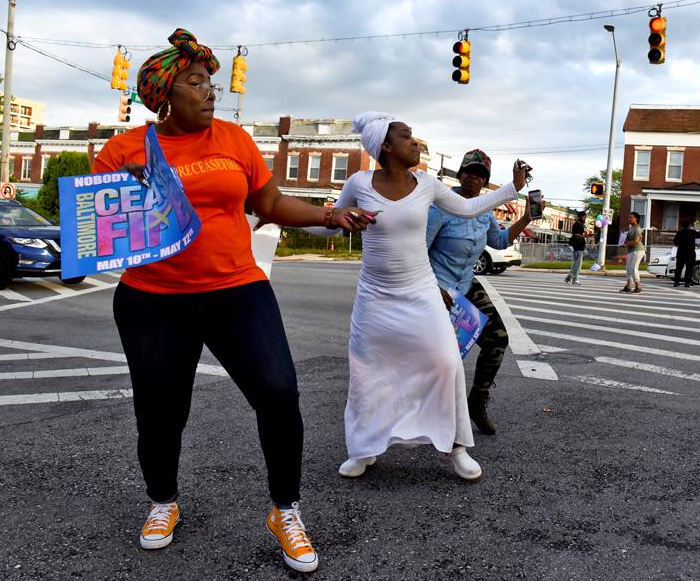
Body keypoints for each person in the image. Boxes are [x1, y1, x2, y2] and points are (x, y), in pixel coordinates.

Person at [92, 29, 375, 574]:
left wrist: (327, 215)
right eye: (196, 83)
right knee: (160, 411)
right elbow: (102, 233)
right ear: (165, 95)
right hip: (152, 299)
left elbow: (267, 201)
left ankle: (285, 511)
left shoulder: (234, 140)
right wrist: (124, 199)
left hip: (236, 289)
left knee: (278, 392)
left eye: (211, 83)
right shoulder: (125, 150)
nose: (210, 92)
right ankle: (162, 502)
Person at [328, 112, 529, 482]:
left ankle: (456, 448)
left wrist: (511, 187)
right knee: (368, 373)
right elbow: (331, 223)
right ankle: (364, 448)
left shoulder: (427, 183)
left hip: (421, 291)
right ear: (385, 147)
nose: (414, 141)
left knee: (445, 362)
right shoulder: (358, 182)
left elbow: (468, 207)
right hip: (375, 297)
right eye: (406, 136)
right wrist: (291, 216)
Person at [425, 150, 533, 435]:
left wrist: (527, 218)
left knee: (498, 338)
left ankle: (477, 400)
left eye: (481, 175)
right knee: (442, 357)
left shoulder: (486, 209)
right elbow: (417, 252)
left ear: (486, 182)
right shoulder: (440, 207)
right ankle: (429, 414)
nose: (474, 177)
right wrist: (432, 289)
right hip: (438, 287)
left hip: (466, 283)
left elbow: (498, 241)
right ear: (460, 174)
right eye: (469, 172)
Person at [673, 220, 700, 288]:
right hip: (690, 252)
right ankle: (687, 282)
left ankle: (676, 282)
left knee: (679, 268)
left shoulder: (679, 232)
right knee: (689, 268)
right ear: (689, 226)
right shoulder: (693, 232)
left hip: (681, 252)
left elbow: (675, 243)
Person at [620, 212, 643, 293]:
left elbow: (637, 241)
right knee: (628, 269)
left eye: (631, 217)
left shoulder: (637, 228)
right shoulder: (631, 228)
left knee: (633, 268)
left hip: (637, 250)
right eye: (628, 217)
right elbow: (628, 236)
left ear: (636, 219)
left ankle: (638, 287)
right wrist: (624, 232)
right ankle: (628, 287)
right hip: (631, 250)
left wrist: (626, 244)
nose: (629, 219)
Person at [565, 210, 588, 285]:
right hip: (577, 246)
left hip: (579, 245)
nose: (585, 219)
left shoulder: (581, 224)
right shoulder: (577, 224)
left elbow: (581, 234)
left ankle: (569, 277)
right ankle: (575, 279)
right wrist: (585, 236)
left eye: (585, 217)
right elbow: (576, 235)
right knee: (578, 264)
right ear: (580, 217)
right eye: (584, 217)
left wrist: (587, 234)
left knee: (575, 263)